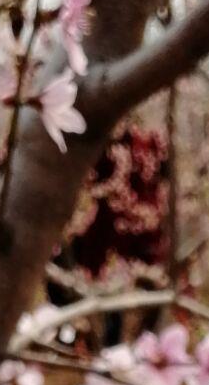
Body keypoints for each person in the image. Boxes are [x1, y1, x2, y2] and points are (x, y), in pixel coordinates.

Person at [48, 123, 172, 347]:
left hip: (131, 236)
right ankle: (90, 339)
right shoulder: (112, 145)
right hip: (106, 233)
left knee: (121, 293)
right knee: (103, 288)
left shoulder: (149, 143)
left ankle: (123, 346)